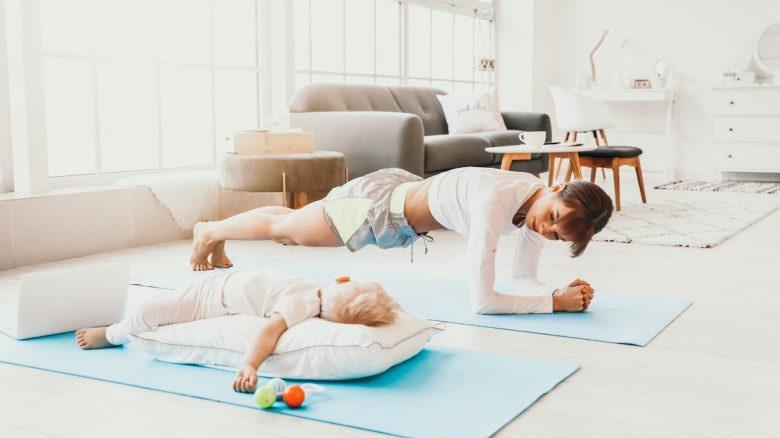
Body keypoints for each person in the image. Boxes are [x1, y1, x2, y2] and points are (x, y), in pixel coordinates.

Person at [189, 167, 613, 314]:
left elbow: (521, 277)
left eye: (558, 235)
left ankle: (218, 232)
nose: (546, 230)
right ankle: (210, 231)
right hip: (377, 209)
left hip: (399, 200)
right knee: (288, 234)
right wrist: (552, 304)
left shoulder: (533, 199)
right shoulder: (496, 202)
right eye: (554, 218)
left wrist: (553, 292)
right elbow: (483, 302)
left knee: (291, 224)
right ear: (556, 187)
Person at [76, 270, 396, 393]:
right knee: (161, 303)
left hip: (212, 300)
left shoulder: (304, 305)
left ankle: (111, 334)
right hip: (220, 282)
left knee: (147, 313)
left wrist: (250, 364)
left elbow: (269, 333)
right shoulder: (319, 288)